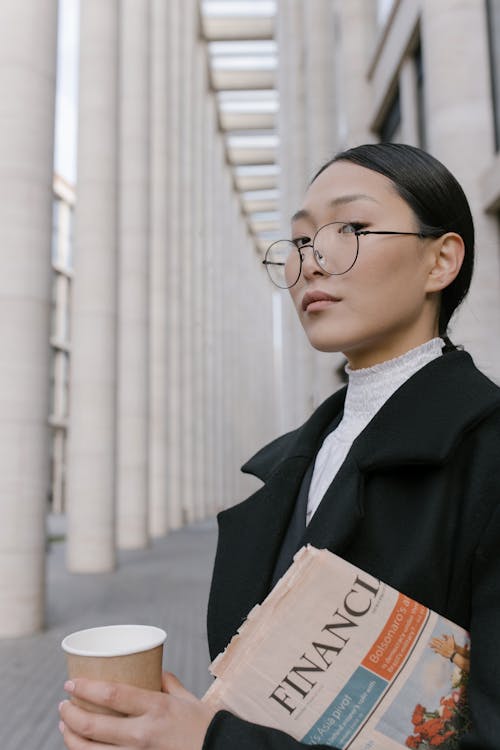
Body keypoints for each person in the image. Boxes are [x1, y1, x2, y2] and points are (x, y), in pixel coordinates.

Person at [58, 143, 500, 749]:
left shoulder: (488, 452)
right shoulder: (301, 458)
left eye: (349, 228)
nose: (310, 265)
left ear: (441, 261)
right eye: (299, 242)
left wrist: (212, 743)